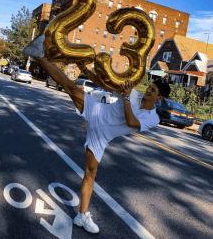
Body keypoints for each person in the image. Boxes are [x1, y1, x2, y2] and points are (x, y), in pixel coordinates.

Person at [23, 34, 170, 234]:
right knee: (71, 88)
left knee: (90, 174)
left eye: (153, 91)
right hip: (97, 112)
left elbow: (131, 122)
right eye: (150, 88)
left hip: (102, 137)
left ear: (159, 98)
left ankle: (82, 216)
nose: (148, 91)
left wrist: (126, 99)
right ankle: (39, 55)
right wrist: (86, 71)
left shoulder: (153, 118)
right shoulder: (134, 93)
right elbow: (105, 85)